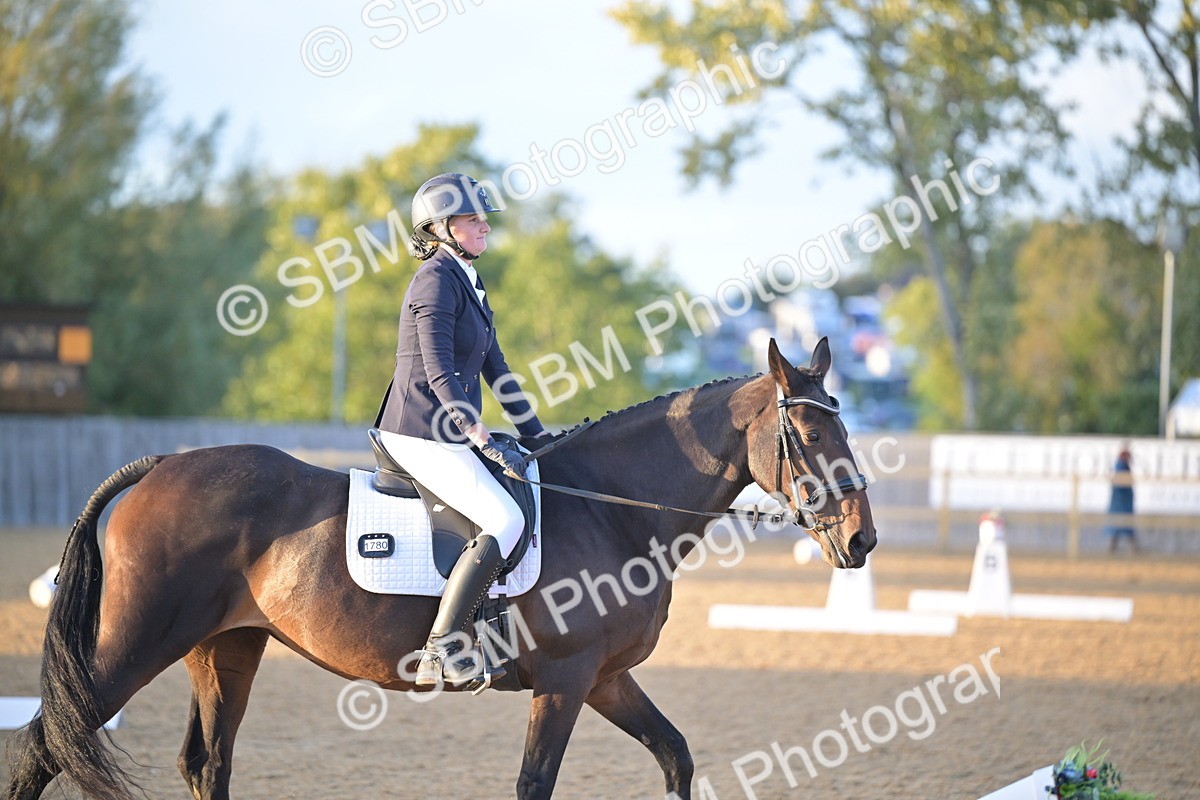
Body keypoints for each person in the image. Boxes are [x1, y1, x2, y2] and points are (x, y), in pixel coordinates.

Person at [374, 173, 553, 685]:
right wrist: (480, 438)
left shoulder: (468, 280)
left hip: (448, 432)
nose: (485, 227)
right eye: (473, 219)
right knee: (504, 520)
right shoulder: (433, 280)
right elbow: (439, 372)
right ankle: (440, 648)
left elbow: (498, 370)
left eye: (483, 219)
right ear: (440, 228)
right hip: (419, 432)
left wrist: (539, 437)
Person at [1105, 445, 1138, 554]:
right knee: (1121, 525)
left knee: (1122, 526)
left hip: (1122, 501)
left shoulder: (1122, 466)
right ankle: (1129, 549)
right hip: (1121, 502)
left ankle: (1116, 549)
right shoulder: (1121, 466)